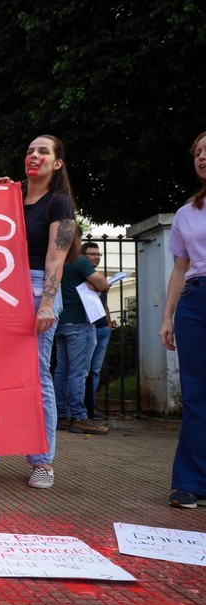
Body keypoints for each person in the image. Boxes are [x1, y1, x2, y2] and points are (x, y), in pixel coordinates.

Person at [0, 135, 79, 489]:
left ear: (57, 163)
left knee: (37, 376)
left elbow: (56, 257)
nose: (34, 156)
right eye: (29, 151)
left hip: (36, 289)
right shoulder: (10, 200)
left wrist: (48, 303)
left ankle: (42, 461)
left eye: (43, 152)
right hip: (0, 291)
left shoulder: (60, 203)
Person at [159, 131, 206, 510]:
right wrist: (168, 317)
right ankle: (189, 483)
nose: (203, 157)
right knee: (196, 395)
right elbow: (180, 267)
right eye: (199, 152)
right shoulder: (186, 212)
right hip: (195, 302)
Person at [53, 233, 110, 435]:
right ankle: (79, 417)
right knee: (78, 372)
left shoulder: (55, 259)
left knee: (62, 370)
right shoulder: (78, 260)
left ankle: (62, 415)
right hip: (80, 323)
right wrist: (96, 284)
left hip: (60, 321)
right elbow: (103, 284)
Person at [82, 241, 112, 419]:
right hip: (88, 328)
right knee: (83, 370)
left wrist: (108, 323)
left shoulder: (99, 278)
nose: (96, 257)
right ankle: (83, 408)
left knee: (95, 370)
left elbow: (104, 304)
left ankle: (91, 407)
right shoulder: (81, 276)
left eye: (98, 254)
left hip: (102, 329)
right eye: (92, 254)